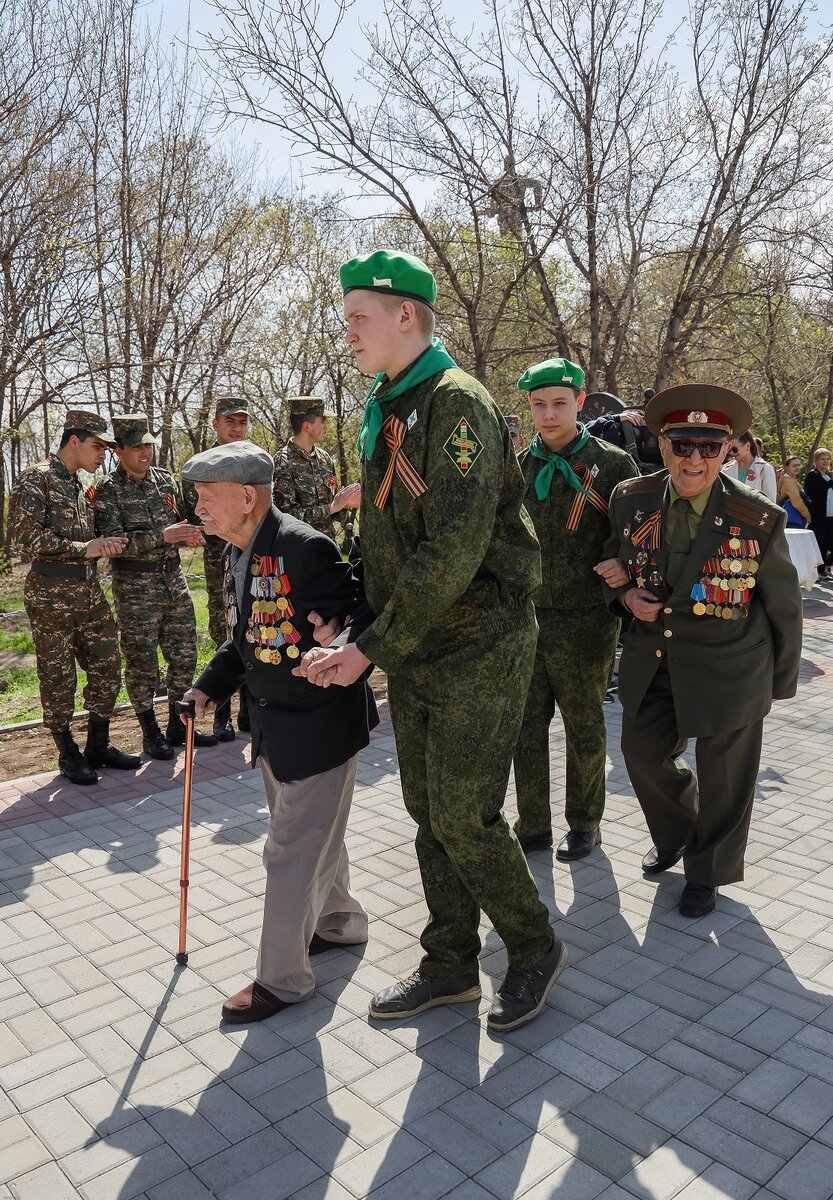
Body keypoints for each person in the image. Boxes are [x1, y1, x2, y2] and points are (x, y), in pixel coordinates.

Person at [295, 248, 568, 1034]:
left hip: (478, 639)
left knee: (464, 813)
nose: (346, 332)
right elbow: (391, 539)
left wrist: (370, 648)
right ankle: (449, 962)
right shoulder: (392, 405)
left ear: (403, 314)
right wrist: (355, 621)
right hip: (415, 642)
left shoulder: (455, 404)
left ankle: (532, 943)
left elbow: (453, 544)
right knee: (426, 810)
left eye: (357, 319)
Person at [180, 441, 375, 1023]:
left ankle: (282, 980)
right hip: (272, 728)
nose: (199, 510)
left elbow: (365, 610)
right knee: (317, 838)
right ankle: (339, 923)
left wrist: (338, 637)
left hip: (319, 727)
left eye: (207, 498)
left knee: (288, 854)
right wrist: (209, 686)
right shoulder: (238, 553)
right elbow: (245, 641)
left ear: (247, 496)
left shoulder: (303, 546)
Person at [601, 386, 803, 917]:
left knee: (726, 777)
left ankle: (707, 871)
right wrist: (624, 594)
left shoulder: (756, 515)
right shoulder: (631, 497)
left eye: (709, 448)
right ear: (662, 444)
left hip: (730, 663)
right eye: (683, 445)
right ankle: (677, 836)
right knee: (642, 756)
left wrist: (779, 683)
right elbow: (611, 558)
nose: (694, 459)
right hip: (657, 657)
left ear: (729, 450)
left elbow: (783, 604)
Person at [512, 358, 638, 860]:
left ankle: (585, 821)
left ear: (579, 403)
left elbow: (640, 533)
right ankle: (533, 822)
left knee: (584, 722)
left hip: (588, 618)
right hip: (528, 616)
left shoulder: (613, 465)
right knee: (526, 725)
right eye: (539, 405)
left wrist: (623, 564)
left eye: (559, 404)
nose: (549, 414)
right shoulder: (518, 467)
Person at [9, 410, 140, 784]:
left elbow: (89, 542)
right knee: (58, 677)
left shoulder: (79, 484)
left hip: (87, 590)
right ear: (73, 441)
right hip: (51, 594)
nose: (103, 454)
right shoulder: (37, 479)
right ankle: (67, 752)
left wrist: (104, 545)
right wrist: (86, 548)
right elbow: (24, 538)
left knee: (107, 667)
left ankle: (98, 744)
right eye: (97, 446)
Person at [94, 414, 217, 759]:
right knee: (142, 662)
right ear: (119, 450)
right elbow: (112, 542)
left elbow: (188, 519)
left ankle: (178, 726)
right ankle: (150, 731)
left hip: (173, 580)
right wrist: (161, 537)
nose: (145, 452)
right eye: (137, 446)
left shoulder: (165, 482)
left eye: (148, 444)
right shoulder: (107, 490)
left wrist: (194, 533)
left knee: (184, 653)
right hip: (135, 588)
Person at [184, 395, 252, 741]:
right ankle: (221, 714)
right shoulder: (202, 465)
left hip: (256, 558)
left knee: (259, 625)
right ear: (215, 424)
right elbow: (188, 512)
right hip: (218, 564)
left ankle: (250, 711)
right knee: (226, 633)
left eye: (242, 422)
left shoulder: (255, 461)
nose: (237, 428)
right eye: (230, 422)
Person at [272, 396, 360, 542]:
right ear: (307, 426)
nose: (325, 426)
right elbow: (286, 516)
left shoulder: (325, 459)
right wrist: (331, 508)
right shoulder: (283, 461)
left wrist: (347, 503)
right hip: (301, 548)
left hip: (329, 545)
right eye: (322, 421)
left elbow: (333, 500)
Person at [723, 430, 777, 501]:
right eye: (729, 450)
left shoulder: (765, 469)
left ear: (747, 445)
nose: (732, 453)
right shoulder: (725, 470)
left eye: (735, 449)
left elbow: (771, 502)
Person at [804, 448, 833, 578]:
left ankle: (827, 564)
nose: (825, 461)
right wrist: (829, 483)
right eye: (822, 458)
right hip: (818, 516)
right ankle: (819, 571)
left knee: (829, 542)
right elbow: (814, 493)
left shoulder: (830, 476)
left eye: (828, 459)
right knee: (819, 542)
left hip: (831, 515)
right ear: (816, 461)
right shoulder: (813, 475)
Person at [777, 455, 812, 528]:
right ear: (786, 467)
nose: (797, 467)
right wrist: (807, 515)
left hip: (787, 517)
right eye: (794, 466)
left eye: (798, 465)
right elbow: (797, 502)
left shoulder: (787, 480)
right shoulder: (789, 482)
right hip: (793, 518)